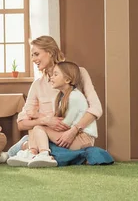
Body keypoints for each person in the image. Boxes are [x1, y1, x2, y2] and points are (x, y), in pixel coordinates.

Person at [7, 35, 102, 166]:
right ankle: (36, 149)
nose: (33, 59)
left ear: (50, 53)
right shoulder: (37, 85)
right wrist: (45, 120)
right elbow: (22, 123)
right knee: (13, 151)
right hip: (48, 135)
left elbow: (96, 108)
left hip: (72, 136)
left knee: (18, 149)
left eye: (36, 54)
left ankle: (34, 149)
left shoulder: (78, 73)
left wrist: (73, 130)